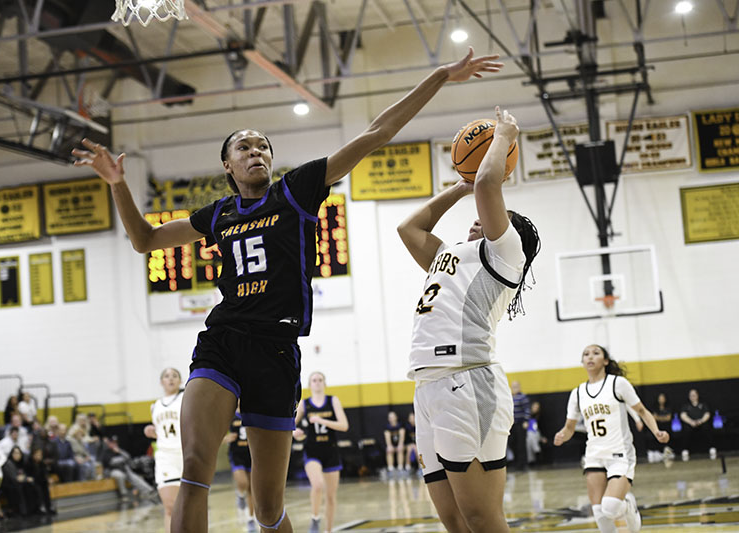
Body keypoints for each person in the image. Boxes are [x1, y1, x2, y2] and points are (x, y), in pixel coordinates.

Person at [73, 46, 503, 533]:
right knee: (195, 467)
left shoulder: (295, 191)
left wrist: (442, 75)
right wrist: (117, 184)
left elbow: (376, 133)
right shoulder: (216, 215)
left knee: (268, 509)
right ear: (228, 166)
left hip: (276, 352)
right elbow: (145, 240)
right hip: (223, 342)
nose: (256, 153)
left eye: (263, 147)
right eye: (245, 148)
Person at [397, 107, 541, 533]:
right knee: (456, 524)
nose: (483, 214)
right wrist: (458, 189)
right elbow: (409, 228)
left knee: (483, 520)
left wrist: (505, 134)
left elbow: (487, 183)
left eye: (498, 217)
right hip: (427, 388)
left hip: (468, 383)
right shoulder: (451, 254)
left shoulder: (504, 256)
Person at [554, 344, 670, 533]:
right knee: (599, 513)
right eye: (586, 354)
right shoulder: (577, 393)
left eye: (596, 353)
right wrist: (562, 435)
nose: (590, 357)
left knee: (610, 507)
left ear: (605, 361)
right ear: (582, 362)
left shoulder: (618, 384)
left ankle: (628, 506)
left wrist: (657, 431)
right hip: (594, 454)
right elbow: (569, 428)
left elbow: (641, 411)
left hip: (619, 453)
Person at [293, 372, 349, 533]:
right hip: (312, 451)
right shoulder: (305, 404)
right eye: (314, 380)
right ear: (310, 385)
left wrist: (321, 420)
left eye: (320, 380)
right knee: (317, 485)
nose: (317, 383)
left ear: (325, 383)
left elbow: (344, 425)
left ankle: (328, 530)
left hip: (331, 451)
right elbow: (291, 426)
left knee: (331, 496)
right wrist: (295, 432)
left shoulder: (333, 401)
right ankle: (315, 518)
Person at [144, 368, 185, 533]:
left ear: (180, 381)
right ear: (161, 382)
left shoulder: (185, 398)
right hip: (166, 457)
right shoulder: (155, 406)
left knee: (188, 507)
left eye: (175, 376)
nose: (171, 379)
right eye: (167, 376)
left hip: (186, 455)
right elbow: (159, 431)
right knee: (170, 506)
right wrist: (151, 430)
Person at [224, 407, 256, 532]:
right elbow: (216, 435)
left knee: (252, 489)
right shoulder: (230, 415)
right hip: (236, 454)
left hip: (251, 454)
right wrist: (226, 438)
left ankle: (250, 519)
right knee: (243, 482)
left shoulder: (253, 413)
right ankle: (240, 495)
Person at [679, 388, 715, 461]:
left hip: (701, 423)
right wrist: (691, 422)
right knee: (686, 430)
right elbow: (683, 415)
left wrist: (701, 421)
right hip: (690, 424)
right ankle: (685, 449)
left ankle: (711, 447)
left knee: (706, 427)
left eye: (694, 395)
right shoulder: (686, 406)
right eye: (691, 395)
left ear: (697, 395)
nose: (693, 397)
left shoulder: (703, 404)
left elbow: (707, 414)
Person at [509, 381, 530, 472]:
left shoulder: (523, 397)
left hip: (521, 424)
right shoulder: (509, 397)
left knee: (521, 445)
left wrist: (526, 421)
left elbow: (527, 410)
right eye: (513, 386)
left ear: (519, 387)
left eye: (516, 386)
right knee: (512, 444)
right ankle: (517, 463)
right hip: (511, 425)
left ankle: (523, 464)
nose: (515, 388)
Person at [648, 393, 673, 463]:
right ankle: (655, 451)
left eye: (663, 398)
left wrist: (659, 418)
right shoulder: (655, 407)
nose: (661, 400)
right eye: (660, 398)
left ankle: (666, 450)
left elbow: (668, 418)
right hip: (658, 426)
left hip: (666, 426)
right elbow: (654, 417)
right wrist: (662, 418)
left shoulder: (668, 407)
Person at [383, 411, 405, 476]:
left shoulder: (400, 425)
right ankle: (391, 469)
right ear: (388, 419)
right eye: (390, 417)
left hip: (399, 444)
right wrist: (389, 446)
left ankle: (400, 468)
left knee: (400, 449)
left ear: (396, 417)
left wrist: (400, 444)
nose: (391, 419)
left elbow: (402, 436)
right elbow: (387, 437)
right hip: (392, 445)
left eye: (393, 417)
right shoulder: (387, 427)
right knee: (389, 450)